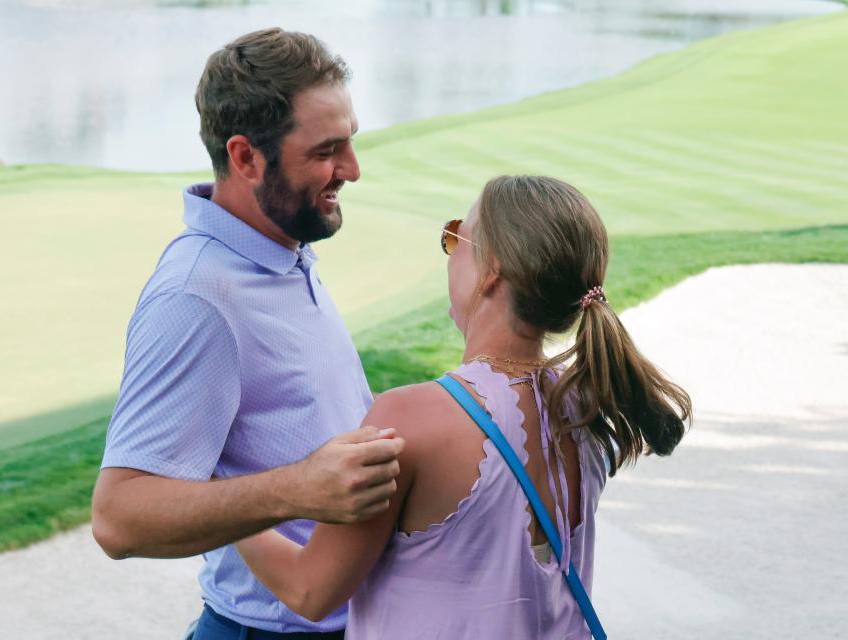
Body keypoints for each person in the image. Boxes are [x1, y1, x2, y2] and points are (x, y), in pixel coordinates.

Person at [235, 175, 693, 638]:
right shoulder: (587, 408)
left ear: (492, 268)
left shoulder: (409, 417)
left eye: (456, 237)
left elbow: (310, 591)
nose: (450, 253)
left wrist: (223, 495)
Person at [90, 29, 404, 639]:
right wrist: (297, 490)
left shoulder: (282, 248)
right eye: (326, 151)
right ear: (245, 157)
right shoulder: (196, 296)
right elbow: (118, 518)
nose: (352, 170)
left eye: (351, 143)